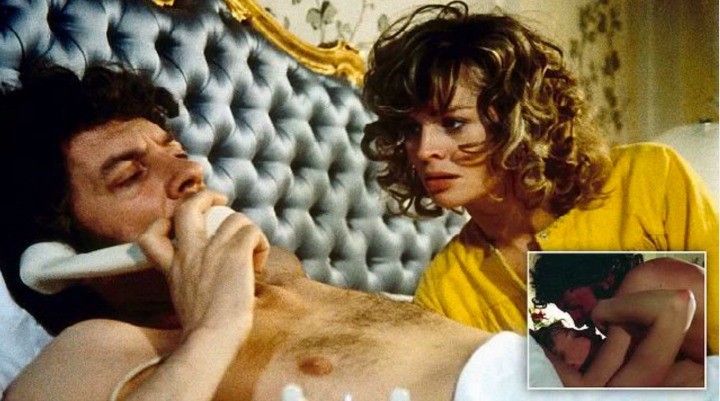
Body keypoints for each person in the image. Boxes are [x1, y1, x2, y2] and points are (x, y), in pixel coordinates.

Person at [0, 62, 526, 401]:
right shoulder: (94, 350)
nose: (190, 173)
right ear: (63, 255)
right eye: (130, 175)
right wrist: (213, 330)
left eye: (176, 152)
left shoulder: (279, 268)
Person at [360, 0, 719, 354]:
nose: (424, 150)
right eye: (411, 129)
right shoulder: (447, 288)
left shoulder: (650, 178)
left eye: (453, 123)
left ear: (519, 118)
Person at [531, 253, 706, 387]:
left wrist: (531, 346)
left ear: (590, 277)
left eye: (572, 306)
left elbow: (591, 387)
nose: (577, 321)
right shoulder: (651, 275)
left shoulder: (634, 289)